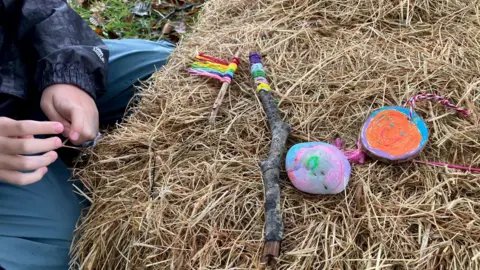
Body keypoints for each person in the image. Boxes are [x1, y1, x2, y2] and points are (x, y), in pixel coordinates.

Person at [0, 1, 175, 269]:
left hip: (22, 63)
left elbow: (39, 6)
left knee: (175, 67)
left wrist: (68, 74)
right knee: (63, 247)